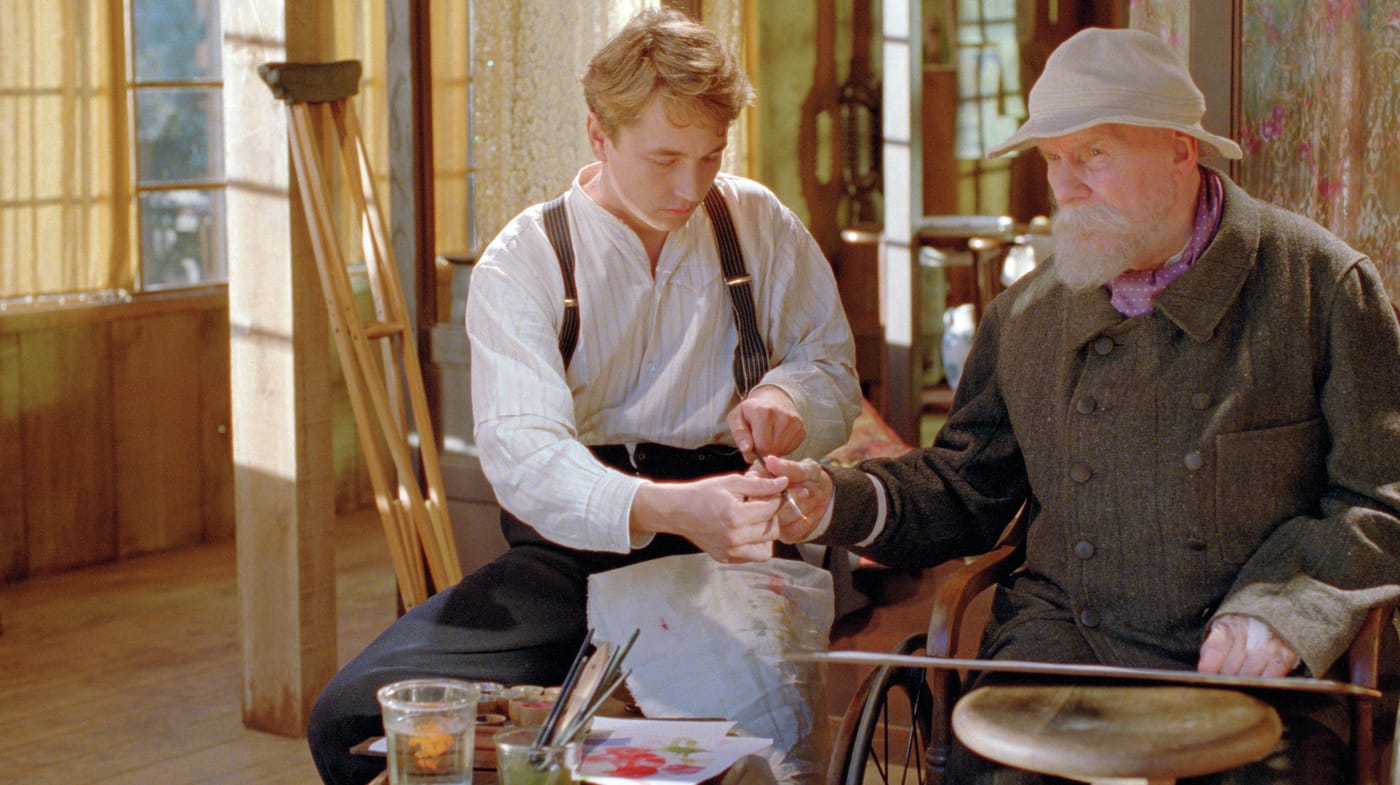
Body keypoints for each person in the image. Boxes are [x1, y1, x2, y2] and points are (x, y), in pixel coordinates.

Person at [766, 27, 1400, 784]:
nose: (1065, 185)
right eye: (1054, 159)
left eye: (1094, 152)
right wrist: (826, 499)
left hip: (1256, 657)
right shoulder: (1027, 316)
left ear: (1179, 149)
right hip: (1068, 638)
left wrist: (1285, 611)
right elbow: (965, 487)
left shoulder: (1320, 288)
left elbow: (1380, 498)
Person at [306, 9, 861, 785]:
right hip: (572, 553)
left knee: (741, 759)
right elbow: (526, 456)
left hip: (729, 546)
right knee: (352, 718)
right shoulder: (527, 260)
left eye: (709, 157)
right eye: (664, 157)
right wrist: (663, 507)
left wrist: (787, 400)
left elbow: (831, 365)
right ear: (599, 135)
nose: (690, 186)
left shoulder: (756, 223)